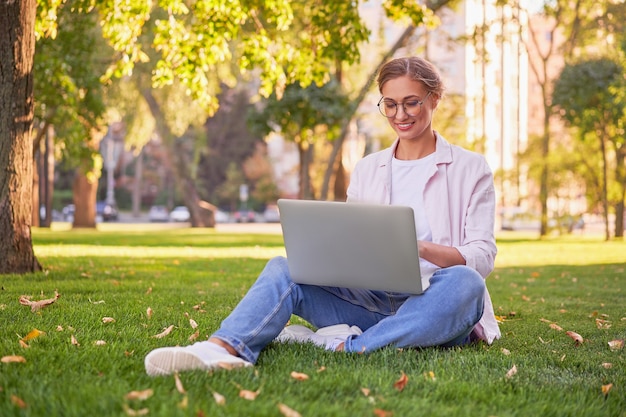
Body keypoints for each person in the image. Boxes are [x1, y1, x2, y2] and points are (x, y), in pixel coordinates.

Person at [144, 56, 500, 376]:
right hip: (371, 301)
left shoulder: (470, 168)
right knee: (284, 268)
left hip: (435, 307)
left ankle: (348, 345)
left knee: (467, 283)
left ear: (434, 99)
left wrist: (416, 248)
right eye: (389, 105)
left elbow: (481, 257)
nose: (400, 115)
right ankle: (223, 349)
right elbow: (353, 241)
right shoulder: (369, 169)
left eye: (411, 103)